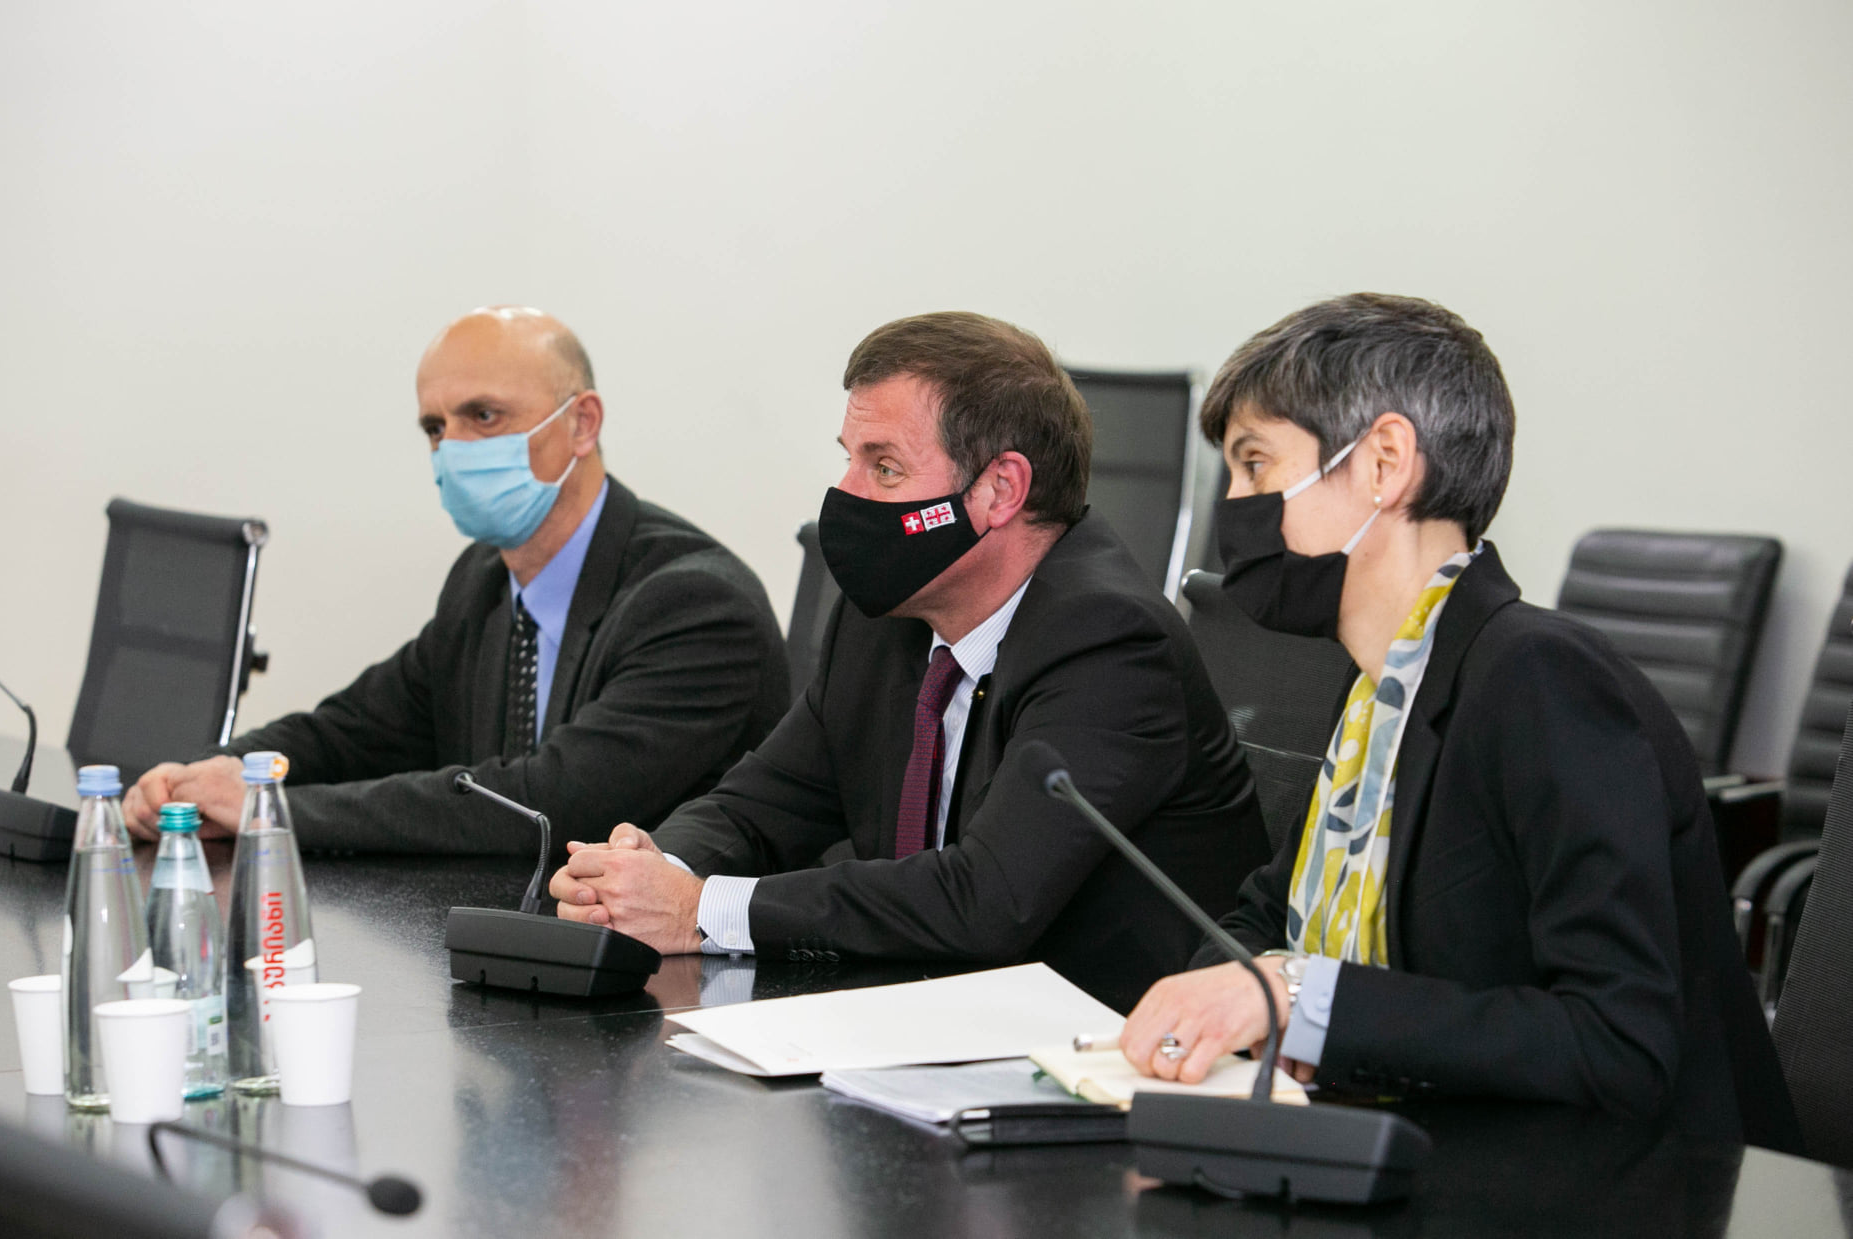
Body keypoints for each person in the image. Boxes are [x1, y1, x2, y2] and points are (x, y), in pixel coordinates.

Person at [1118, 293, 1801, 1151]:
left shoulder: (1542, 681)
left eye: (1256, 464)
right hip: (1403, 1146)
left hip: (1599, 1185)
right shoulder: (1376, 688)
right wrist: (1217, 994)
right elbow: (1268, 912)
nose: (1235, 502)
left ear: (1385, 462)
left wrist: (1297, 998)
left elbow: (1618, 1044)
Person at [550, 311, 1268, 1010]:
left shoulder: (1109, 642)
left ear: (1000, 490)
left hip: (1103, 1044)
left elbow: (984, 899)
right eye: (849, 458)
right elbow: (758, 806)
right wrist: (646, 876)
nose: (846, 493)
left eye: (884, 467)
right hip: (922, 1018)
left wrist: (699, 909)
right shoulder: (886, 619)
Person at [125, 306, 790, 853]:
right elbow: (352, 731)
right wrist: (211, 775)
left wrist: (267, 811)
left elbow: (546, 804)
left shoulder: (697, 604)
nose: (453, 448)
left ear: (582, 423)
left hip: (669, 964)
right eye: (435, 427)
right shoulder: (483, 579)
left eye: (484, 416)